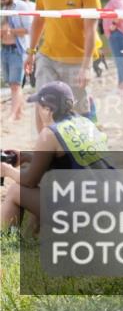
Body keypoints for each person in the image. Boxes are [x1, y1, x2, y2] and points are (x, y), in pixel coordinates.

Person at [1, 82, 112, 232]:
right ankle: (30, 237)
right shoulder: (85, 123)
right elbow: (73, 161)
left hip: (86, 215)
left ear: (47, 109)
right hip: (110, 204)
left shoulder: (50, 134)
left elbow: (29, 180)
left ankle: (7, 242)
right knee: (46, 183)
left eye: (38, 107)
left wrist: (6, 170)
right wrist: (26, 157)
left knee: (16, 190)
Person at [23, 0, 101, 134]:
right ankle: (45, 149)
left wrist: (86, 66)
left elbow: (90, 30)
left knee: (76, 109)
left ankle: (83, 148)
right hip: (48, 55)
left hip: (76, 57)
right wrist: (31, 52)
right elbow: (38, 20)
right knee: (42, 103)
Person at [1, 0, 30, 121]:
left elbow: (28, 30)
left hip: (17, 50)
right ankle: (20, 112)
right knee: (11, 83)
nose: (2, 1)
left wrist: (10, 31)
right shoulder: (4, 7)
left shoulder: (22, 6)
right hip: (4, 49)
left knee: (15, 84)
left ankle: (12, 115)